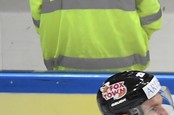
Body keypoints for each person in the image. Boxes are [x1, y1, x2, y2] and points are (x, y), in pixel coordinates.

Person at [30, 0, 162, 71]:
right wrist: (136, 37)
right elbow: (152, 17)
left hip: (64, 66)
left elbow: (39, 18)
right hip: (125, 67)